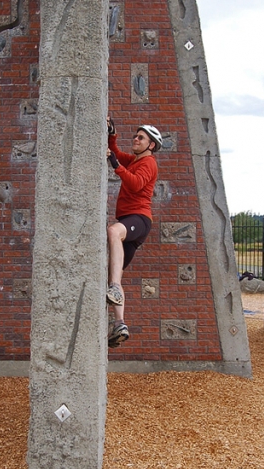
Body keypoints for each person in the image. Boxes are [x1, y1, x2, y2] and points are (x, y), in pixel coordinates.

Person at [106, 116, 162, 348]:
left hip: (138, 219)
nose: (135, 139)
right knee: (110, 270)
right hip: (131, 221)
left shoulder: (148, 164)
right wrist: (112, 132)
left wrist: (117, 167)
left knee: (113, 231)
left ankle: (116, 287)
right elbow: (115, 151)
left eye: (141, 138)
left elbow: (136, 184)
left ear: (151, 145)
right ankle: (119, 323)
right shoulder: (135, 160)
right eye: (135, 136)